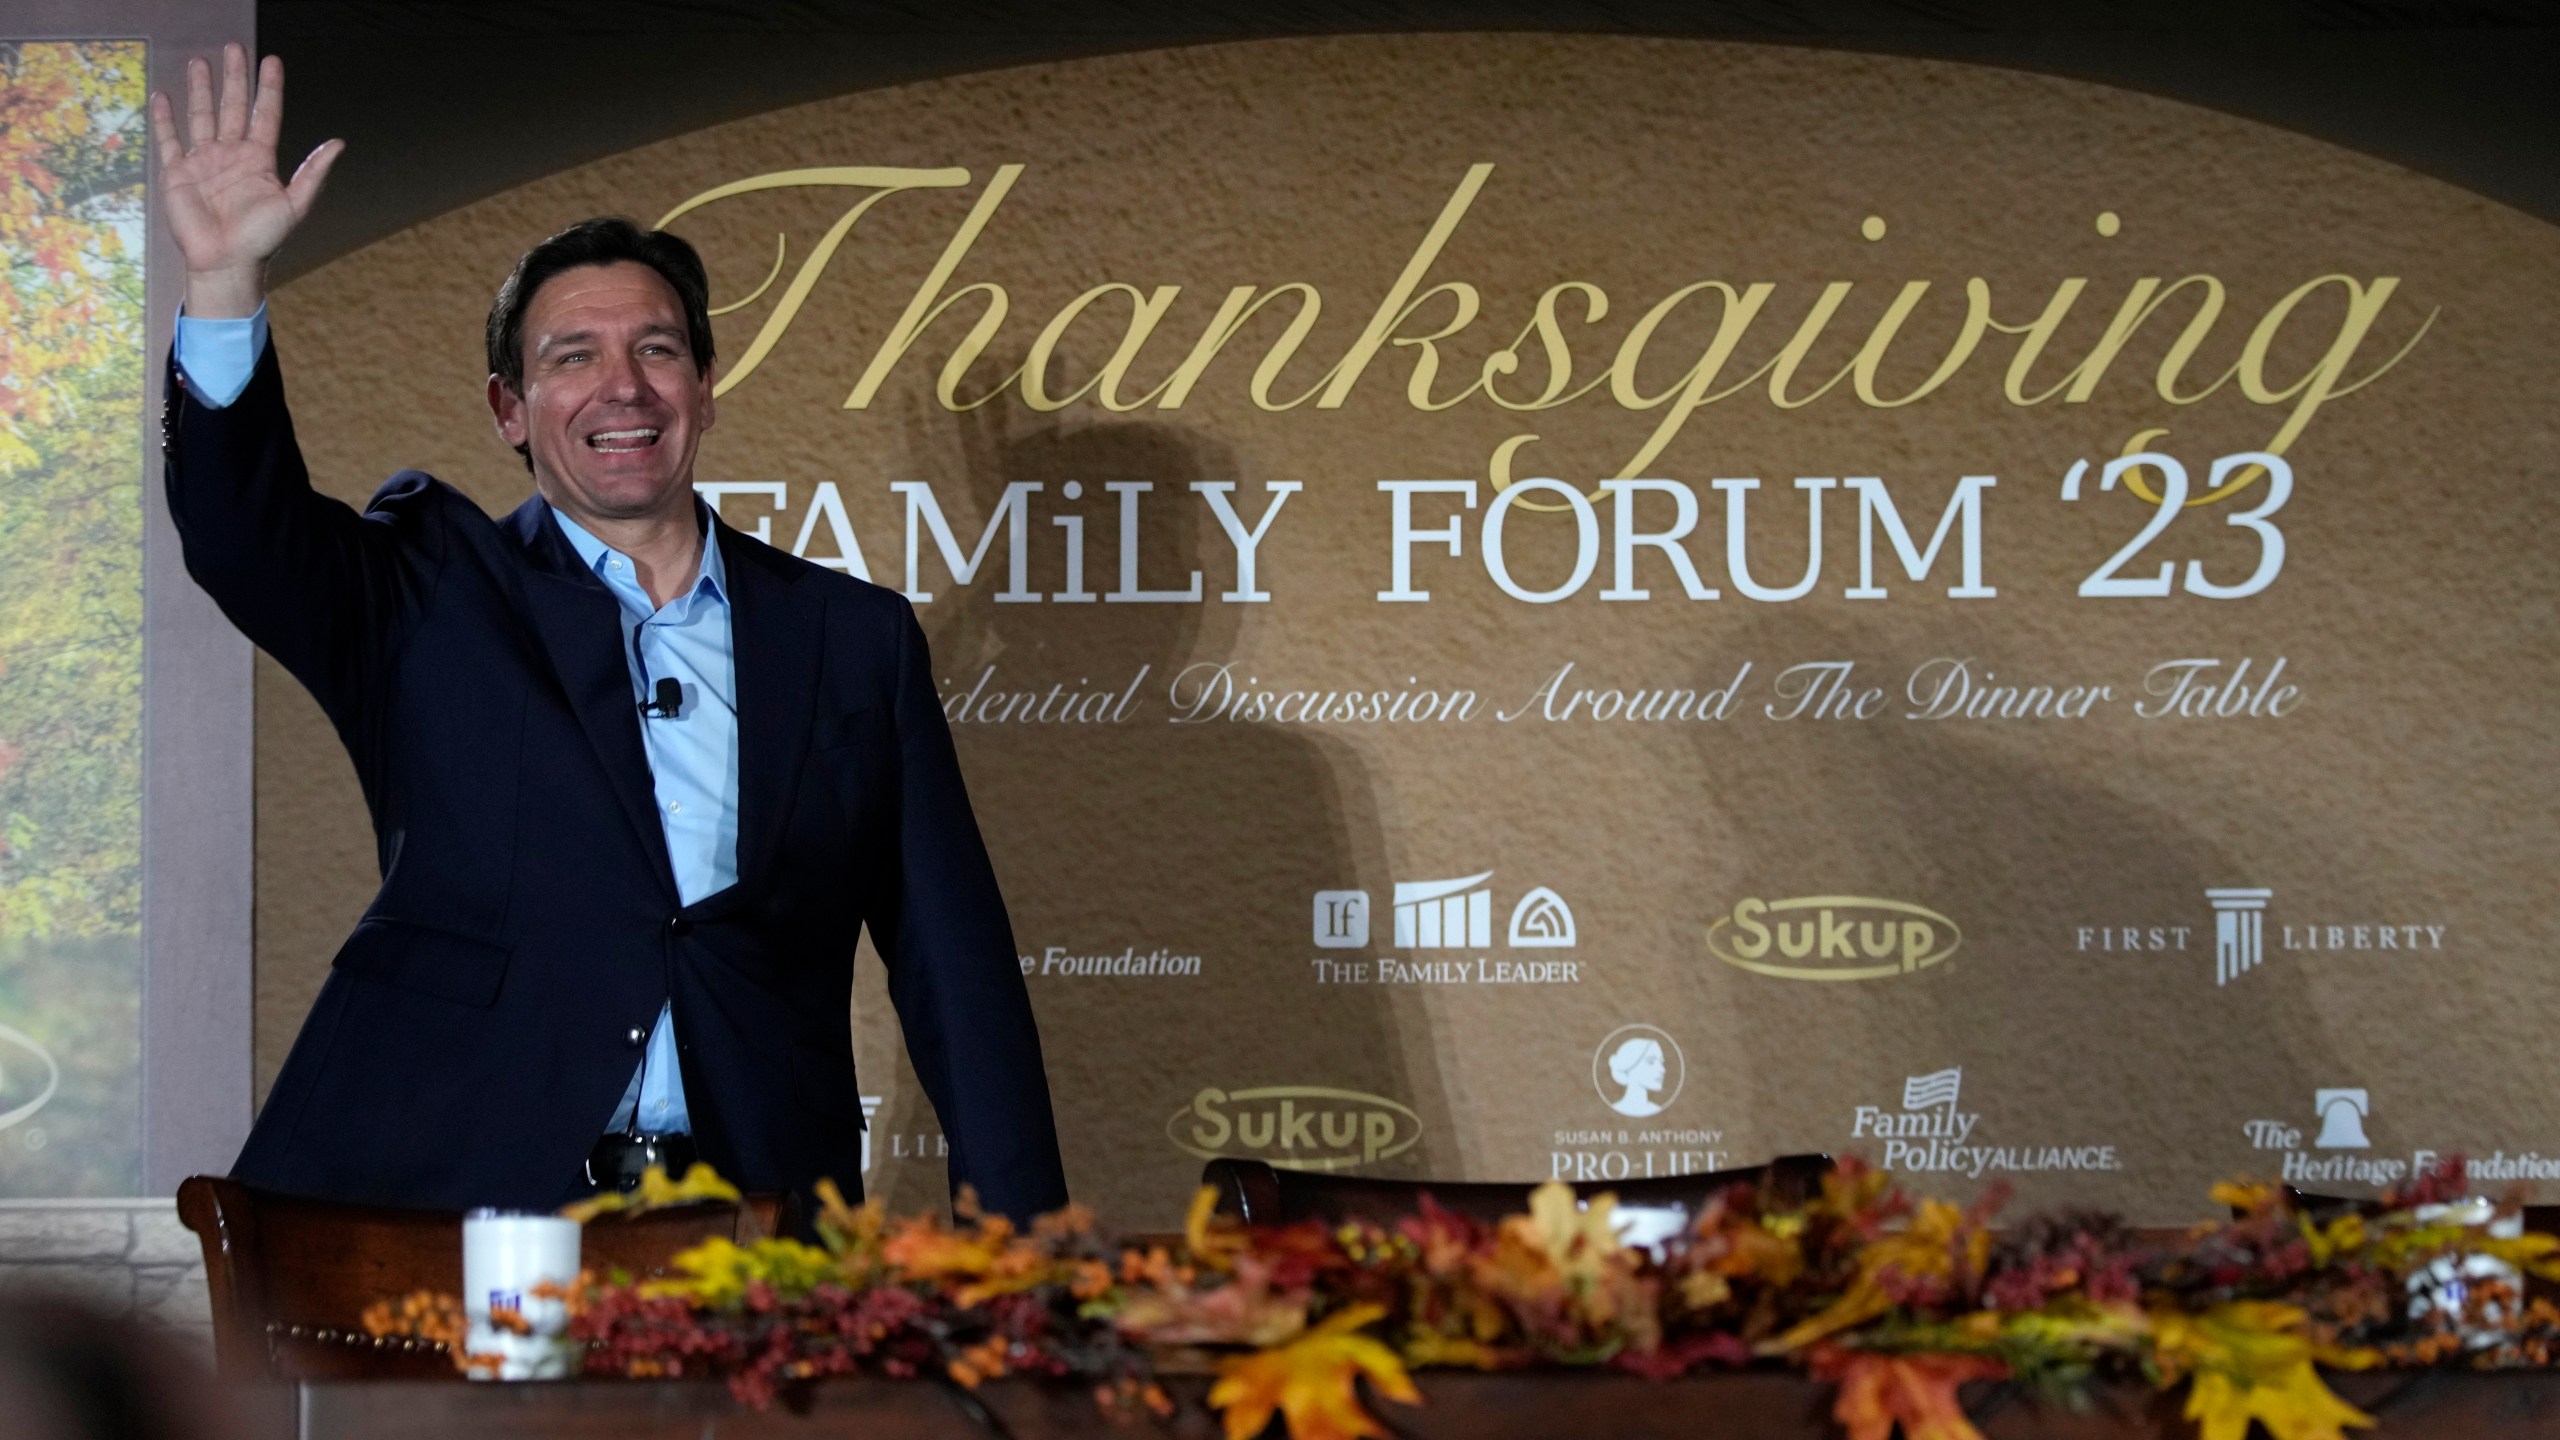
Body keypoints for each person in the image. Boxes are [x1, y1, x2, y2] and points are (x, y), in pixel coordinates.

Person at [149, 45, 1067, 1219]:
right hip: (457, 1210)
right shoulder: (428, 591)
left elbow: (955, 968)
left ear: (705, 387)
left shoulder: (853, 640)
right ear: (510, 412)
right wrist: (224, 288)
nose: (621, 387)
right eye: (570, 358)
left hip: (755, 1217)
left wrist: (1024, 1245)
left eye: (657, 349)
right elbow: (241, 536)